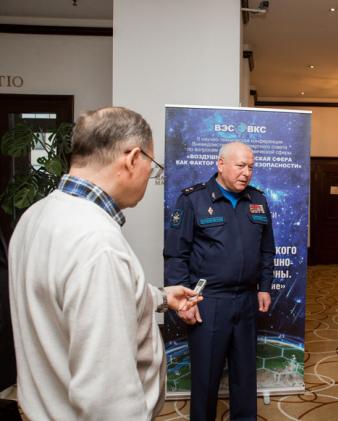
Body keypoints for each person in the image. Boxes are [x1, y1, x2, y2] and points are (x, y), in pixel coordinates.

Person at [8, 107, 202, 420]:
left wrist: (162, 297)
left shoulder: (35, 216)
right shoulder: (97, 244)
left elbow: (67, 298)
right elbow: (107, 398)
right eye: (152, 167)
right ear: (133, 158)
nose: (149, 177)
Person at [164, 141, 275, 421]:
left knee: (245, 376)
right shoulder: (193, 200)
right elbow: (176, 255)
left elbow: (266, 249)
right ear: (220, 164)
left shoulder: (258, 200)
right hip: (208, 301)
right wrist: (185, 301)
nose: (246, 172)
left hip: (247, 300)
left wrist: (264, 286)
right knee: (206, 378)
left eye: (251, 166)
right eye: (240, 165)